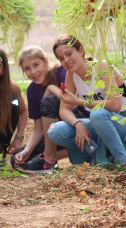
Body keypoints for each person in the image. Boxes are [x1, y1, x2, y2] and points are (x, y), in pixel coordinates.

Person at [47, 35, 126, 174]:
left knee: (97, 114)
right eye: (61, 58)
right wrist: (77, 124)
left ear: (81, 50)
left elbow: (115, 105)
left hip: (125, 121)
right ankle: (97, 159)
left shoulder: (101, 66)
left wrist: (80, 101)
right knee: (54, 131)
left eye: (69, 54)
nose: (66, 60)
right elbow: (64, 110)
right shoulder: (71, 75)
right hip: (101, 123)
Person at [12, 45, 89, 174]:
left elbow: (71, 102)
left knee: (49, 100)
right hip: (53, 135)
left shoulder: (61, 72)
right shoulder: (32, 90)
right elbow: (39, 129)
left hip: (77, 123)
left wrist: (51, 88)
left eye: (36, 65)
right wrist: (27, 150)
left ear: (46, 61)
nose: (33, 71)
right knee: (17, 159)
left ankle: (50, 159)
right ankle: (54, 160)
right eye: (27, 69)